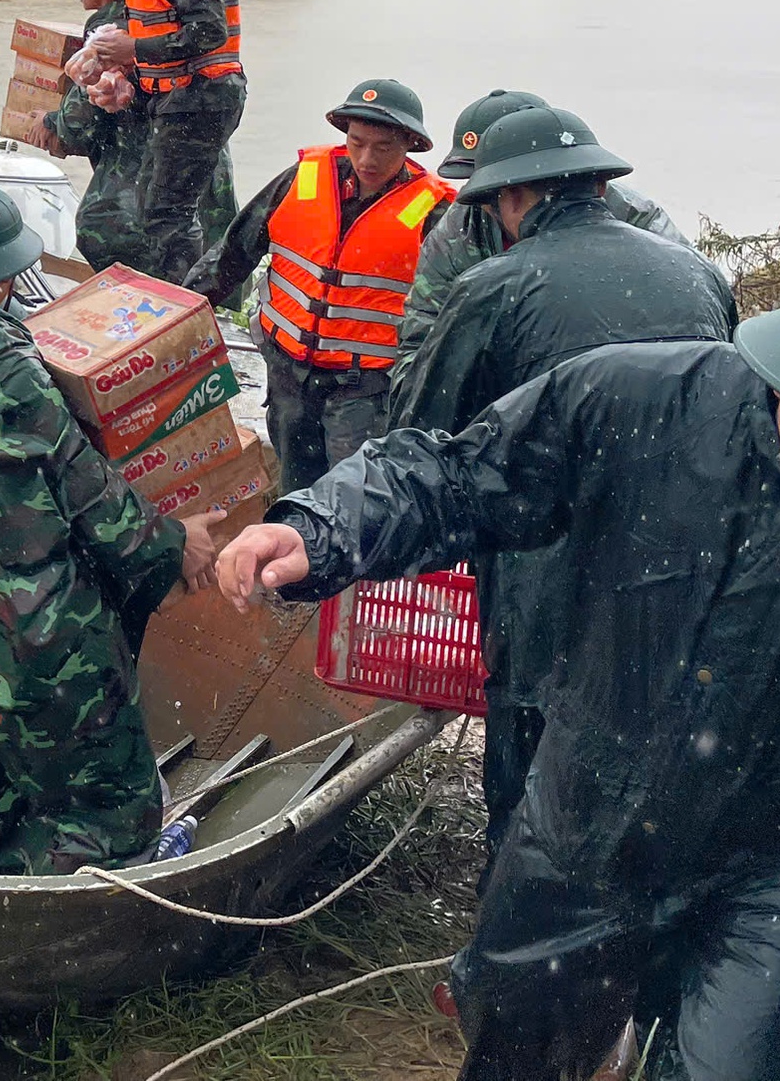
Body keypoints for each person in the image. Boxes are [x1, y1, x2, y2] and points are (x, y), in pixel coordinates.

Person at [215, 257, 780, 1081]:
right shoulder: (642, 402)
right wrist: (323, 528)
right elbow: (460, 475)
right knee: (516, 1046)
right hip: (585, 817)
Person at [388, 105, 739, 856]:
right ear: (598, 185)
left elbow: (419, 425)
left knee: (531, 749)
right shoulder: (700, 274)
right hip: (685, 563)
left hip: (545, 566)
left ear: (513, 199)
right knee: (651, 745)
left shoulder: (495, 284)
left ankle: (513, 896)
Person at [0, 184, 222, 874]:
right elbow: (97, 505)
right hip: (40, 635)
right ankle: (109, 900)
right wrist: (180, 544)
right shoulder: (11, 373)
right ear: (1, 280)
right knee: (106, 796)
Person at [184, 79, 452, 493]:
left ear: (410, 146)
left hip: (364, 389)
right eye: (357, 142)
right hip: (288, 376)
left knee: (352, 496)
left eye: (383, 148)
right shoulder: (304, 179)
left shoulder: (434, 211)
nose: (367, 159)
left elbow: (454, 309)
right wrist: (180, 312)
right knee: (294, 487)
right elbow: (234, 253)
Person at [391, 87, 696, 394]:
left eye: (500, 182)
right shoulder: (456, 234)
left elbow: (690, 311)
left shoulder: (636, 218)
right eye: (476, 181)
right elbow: (420, 344)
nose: (488, 198)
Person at [81, 0, 244, 285]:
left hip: (202, 96)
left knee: (169, 213)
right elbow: (163, 27)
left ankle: (181, 301)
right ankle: (175, 295)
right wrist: (126, 69)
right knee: (155, 206)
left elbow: (209, 30)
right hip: (182, 96)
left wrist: (134, 48)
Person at [43, 0, 239, 283]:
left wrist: (48, 123)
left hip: (149, 172)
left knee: (107, 236)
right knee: (210, 263)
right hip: (205, 168)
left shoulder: (108, 32)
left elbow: (79, 121)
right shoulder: (160, 17)